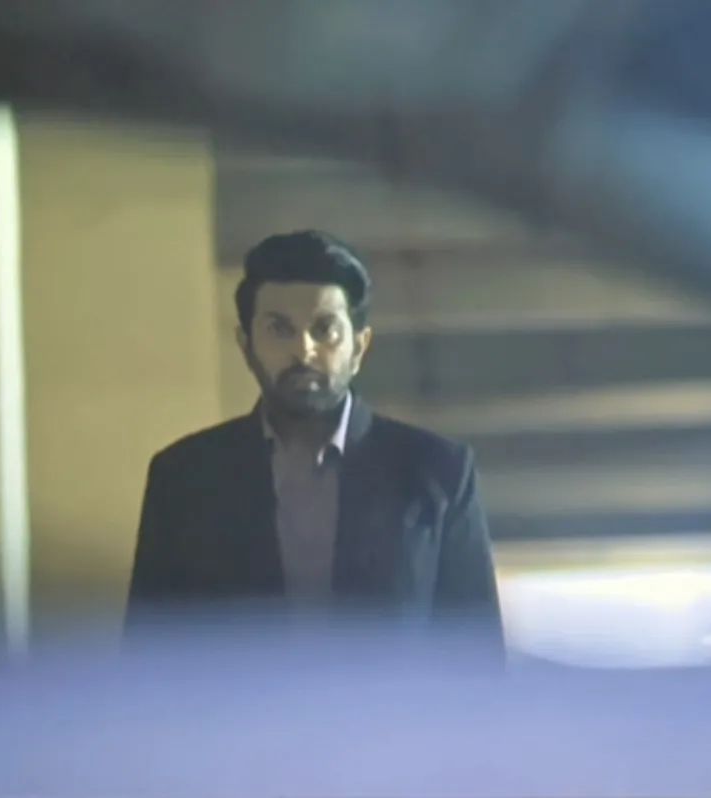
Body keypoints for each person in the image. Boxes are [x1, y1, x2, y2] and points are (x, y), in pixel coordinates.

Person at [124, 229, 503, 656]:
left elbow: (478, 663)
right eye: (279, 329)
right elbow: (145, 662)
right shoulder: (184, 478)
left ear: (359, 347)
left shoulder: (437, 471)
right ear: (245, 345)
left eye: (325, 329)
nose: (303, 351)